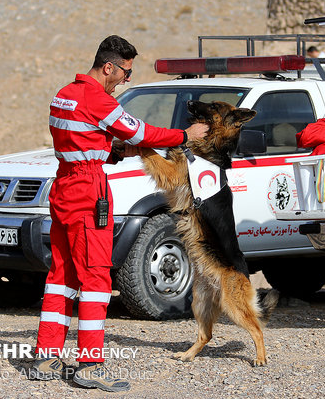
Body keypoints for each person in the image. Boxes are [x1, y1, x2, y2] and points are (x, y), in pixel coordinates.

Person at [30, 35, 208, 392]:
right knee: (96, 279)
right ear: (108, 66)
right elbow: (139, 130)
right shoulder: (96, 98)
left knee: (62, 274)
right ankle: (90, 365)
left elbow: (83, 140)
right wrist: (183, 136)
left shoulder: (64, 93)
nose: (126, 80)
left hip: (65, 186)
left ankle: (47, 356)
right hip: (87, 192)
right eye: (125, 73)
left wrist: (115, 152)